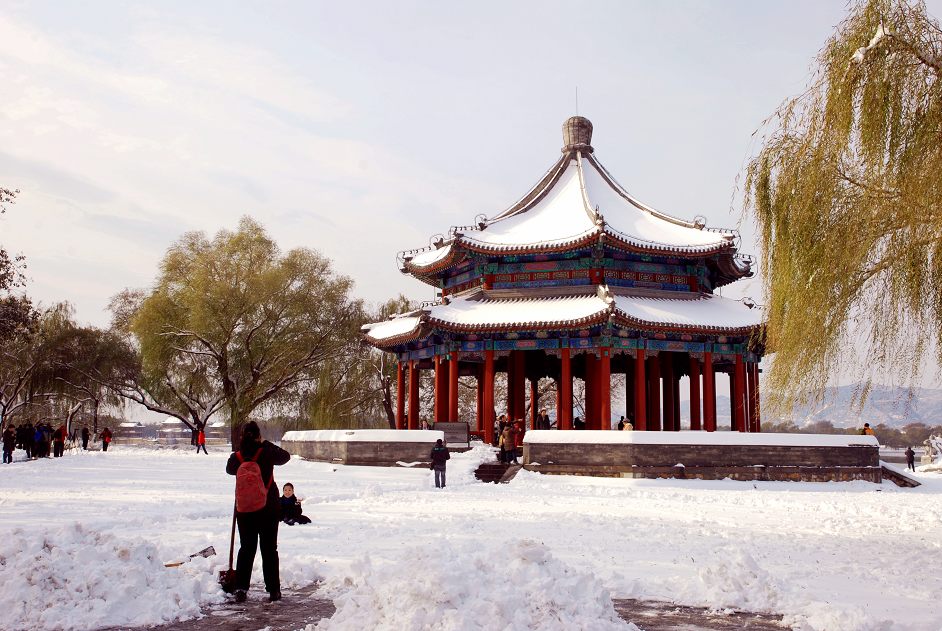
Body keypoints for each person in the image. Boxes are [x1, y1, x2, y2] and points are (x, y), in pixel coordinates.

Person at [225, 421, 290, 603]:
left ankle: (240, 588)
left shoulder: (237, 457)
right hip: (268, 508)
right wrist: (265, 444)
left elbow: (229, 470)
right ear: (258, 435)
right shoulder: (266, 452)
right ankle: (273, 590)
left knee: (246, 548)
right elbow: (285, 457)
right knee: (269, 549)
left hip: (245, 510)